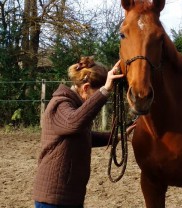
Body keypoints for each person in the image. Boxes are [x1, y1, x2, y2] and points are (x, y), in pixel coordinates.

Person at [33, 57, 128, 208]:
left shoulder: (73, 106)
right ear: (85, 88)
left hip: (68, 195)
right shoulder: (60, 104)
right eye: (96, 91)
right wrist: (105, 91)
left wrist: (116, 137)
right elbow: (74, 123)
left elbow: (82, 136)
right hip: (54, 199)